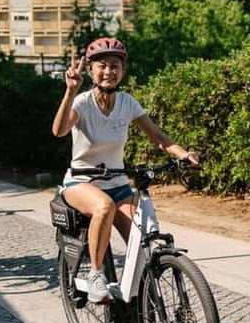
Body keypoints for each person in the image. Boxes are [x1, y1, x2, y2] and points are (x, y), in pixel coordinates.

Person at [51, 37, 198, 303]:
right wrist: (70, 91)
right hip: (81, 183)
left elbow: (159, 137)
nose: (109, 71)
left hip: (117, 183)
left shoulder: (127, 103)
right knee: (103, 207)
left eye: (115, 65)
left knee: (142, 239)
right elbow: (59, 130)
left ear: (123, 71)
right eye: (102, 65)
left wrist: (183, 154)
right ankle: (96, 275)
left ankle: (141, 307)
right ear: (91, 70)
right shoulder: (82, 102)